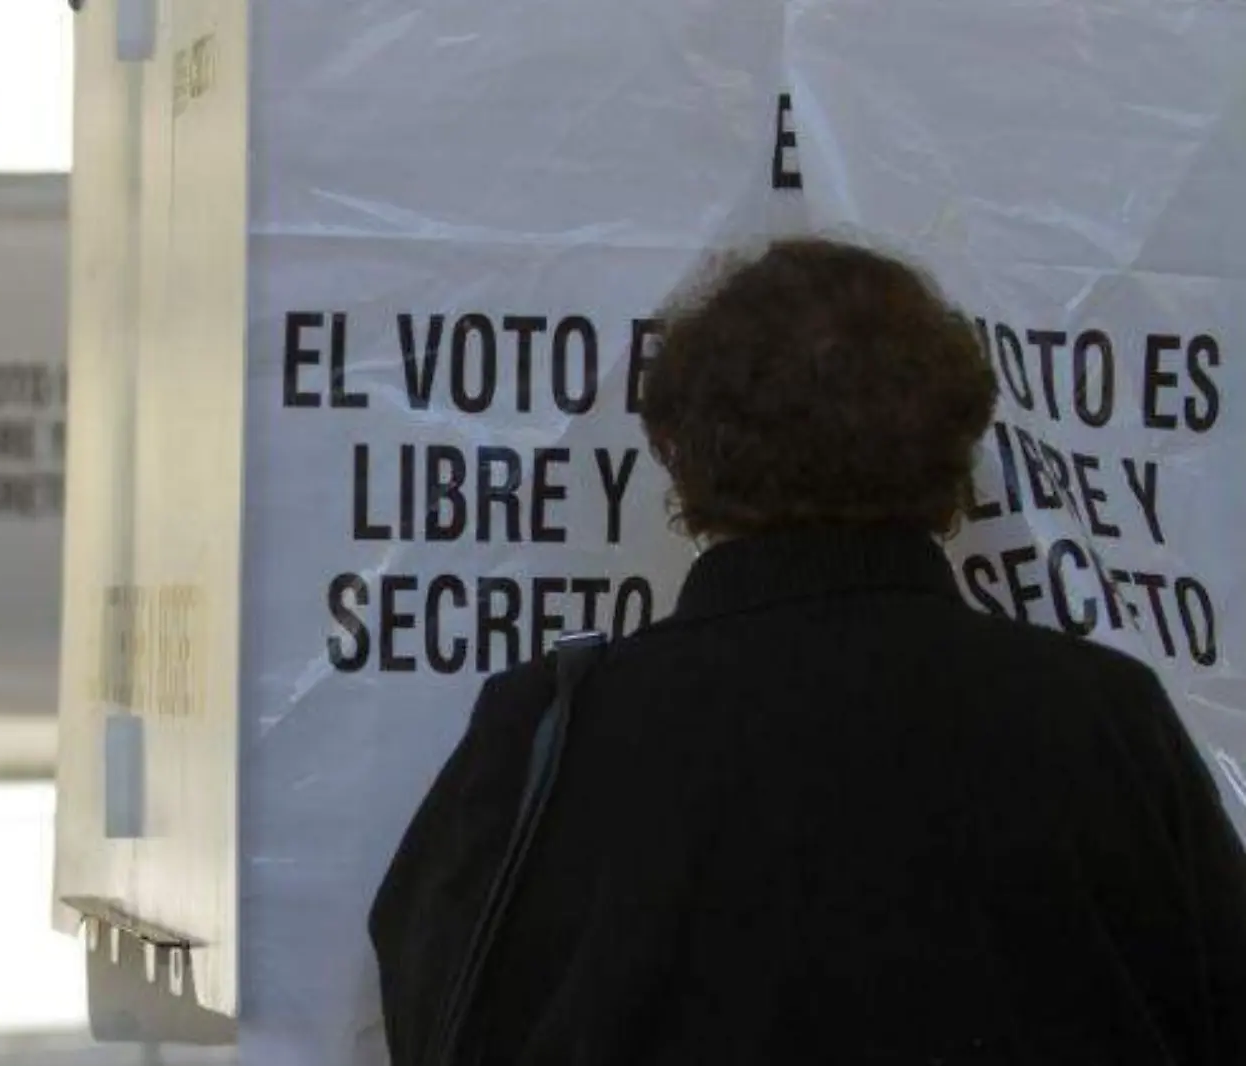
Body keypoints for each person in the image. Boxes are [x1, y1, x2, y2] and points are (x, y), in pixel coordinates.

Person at [371, 239, 1246, 1065]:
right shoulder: (1108, 717)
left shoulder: (551, 731)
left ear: (677, 452)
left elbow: (437, 1013)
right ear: (958, 451)